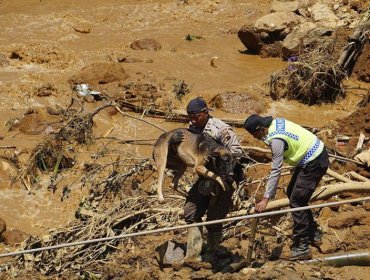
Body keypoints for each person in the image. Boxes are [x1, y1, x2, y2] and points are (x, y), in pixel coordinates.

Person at [243, 114, 329, 260]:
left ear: (261, 129)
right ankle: (313, 232)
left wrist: (266, 198)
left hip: (314, 161)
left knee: (297, 200)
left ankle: (302, 246)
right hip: (308, 157)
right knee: (293, 194)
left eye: (254, 134)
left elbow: (276, 170)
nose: (254, 137)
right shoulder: (275, 123)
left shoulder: (276, 140)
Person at [173, 97, 243, 267]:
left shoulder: (221, 129)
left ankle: (212, 253)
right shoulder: (192, 128)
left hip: (226, 177)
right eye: (190, 117)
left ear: (206, 113)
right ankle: (194, 254)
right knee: (190, 211)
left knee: (214, 217)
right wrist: (175, 142)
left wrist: (217, 155)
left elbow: (237, 153)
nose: (193, 120)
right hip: (205, 175)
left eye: (196, 116)